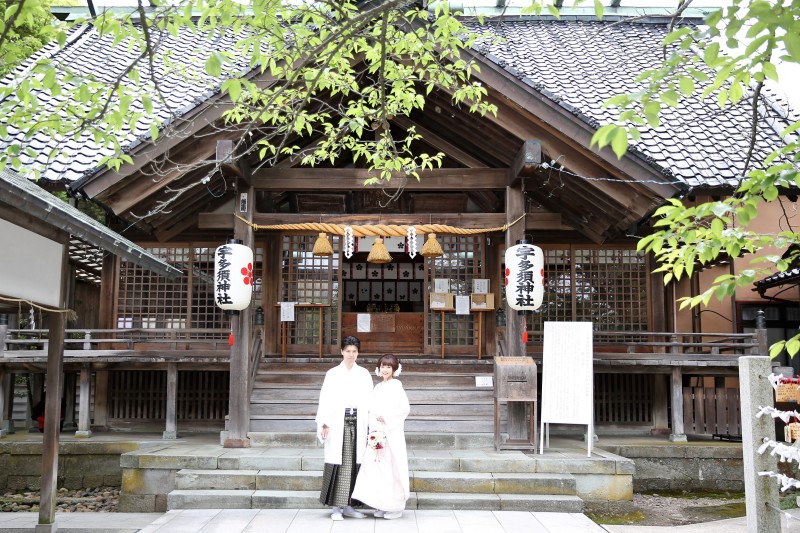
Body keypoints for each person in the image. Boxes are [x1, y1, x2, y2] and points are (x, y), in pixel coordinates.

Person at [316, 335, 374, 521]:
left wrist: (372, 425)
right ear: (341, 351)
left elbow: (370, 401)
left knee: (355, 465)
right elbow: (325, 399)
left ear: (358, 353)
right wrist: (325, 422)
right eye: (348, 351)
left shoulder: (363, 374)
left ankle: (349, 506)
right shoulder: (332, 374)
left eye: (354, 351)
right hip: (337, 422)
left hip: (358, 422)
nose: (351, 354)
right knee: (338, 464)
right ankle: (336, 508)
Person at [352, 354, 410, 520]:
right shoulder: (377, 387)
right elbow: (370, 409)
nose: (385, 370)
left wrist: (387, 418)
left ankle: (395, 507)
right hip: (377, 432)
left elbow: (404, 409)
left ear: (394, 369)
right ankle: (382, 504)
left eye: (388, 367)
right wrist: (373, 428)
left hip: (391, 433)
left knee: (392, 469)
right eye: (383, 366)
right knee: (378, 469)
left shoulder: (397, 386)